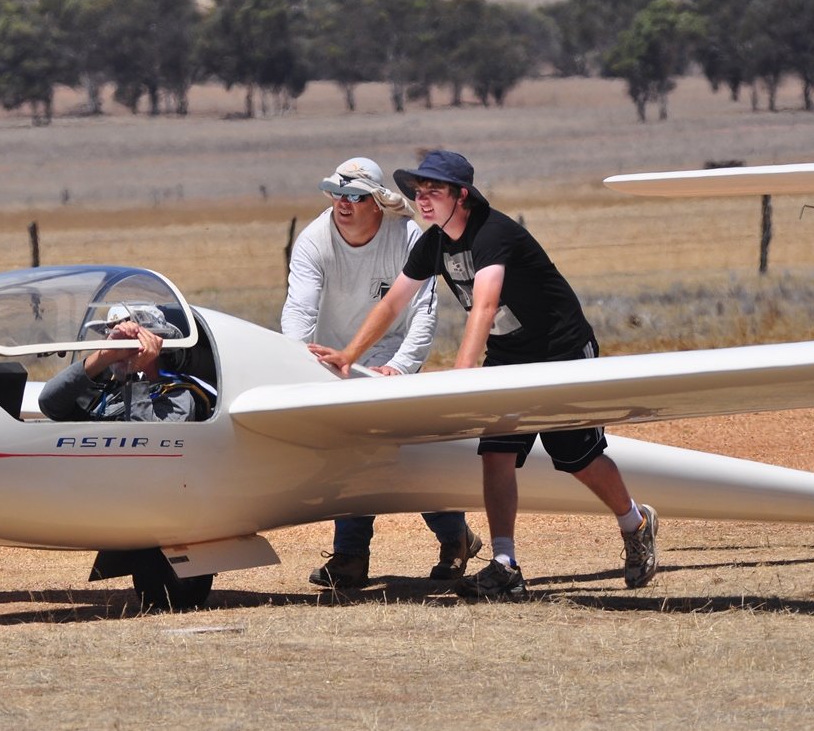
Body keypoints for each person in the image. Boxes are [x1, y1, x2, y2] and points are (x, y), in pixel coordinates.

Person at [311, 150, 658, 601]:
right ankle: (505, 565)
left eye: (433, 192)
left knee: (576, 457)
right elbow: (394, 301)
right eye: (418, 193)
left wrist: (462, 376)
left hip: (561, 353)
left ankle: (636, 523)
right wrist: (348, 355)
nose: (423, 201)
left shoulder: (494, 234)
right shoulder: (434, 242)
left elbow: (485, 305)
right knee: (496, 455)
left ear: (462, 195)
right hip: (510, 355)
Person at [282, 156, 480, 590]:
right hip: (335, 361)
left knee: (409, 454)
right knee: (351, 452)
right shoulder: (314, 240)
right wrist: (299, 362)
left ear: (378, 202)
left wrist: (399, 367)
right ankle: (351, 558)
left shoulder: (407, 237)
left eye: (354, 196)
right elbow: (299, 309)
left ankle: (454, 540)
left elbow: (423, 315)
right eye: (336, 193)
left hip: (393, 359)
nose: (343, 203)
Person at [38, 304, 209, 423]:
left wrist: (134, 372)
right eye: (113, 336)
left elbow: (147, 446)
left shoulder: (178, 397)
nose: (119, 346)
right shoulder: (105, 391)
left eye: (128, 340)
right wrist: (103, 356)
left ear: (153, 343)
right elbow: (49, 403)